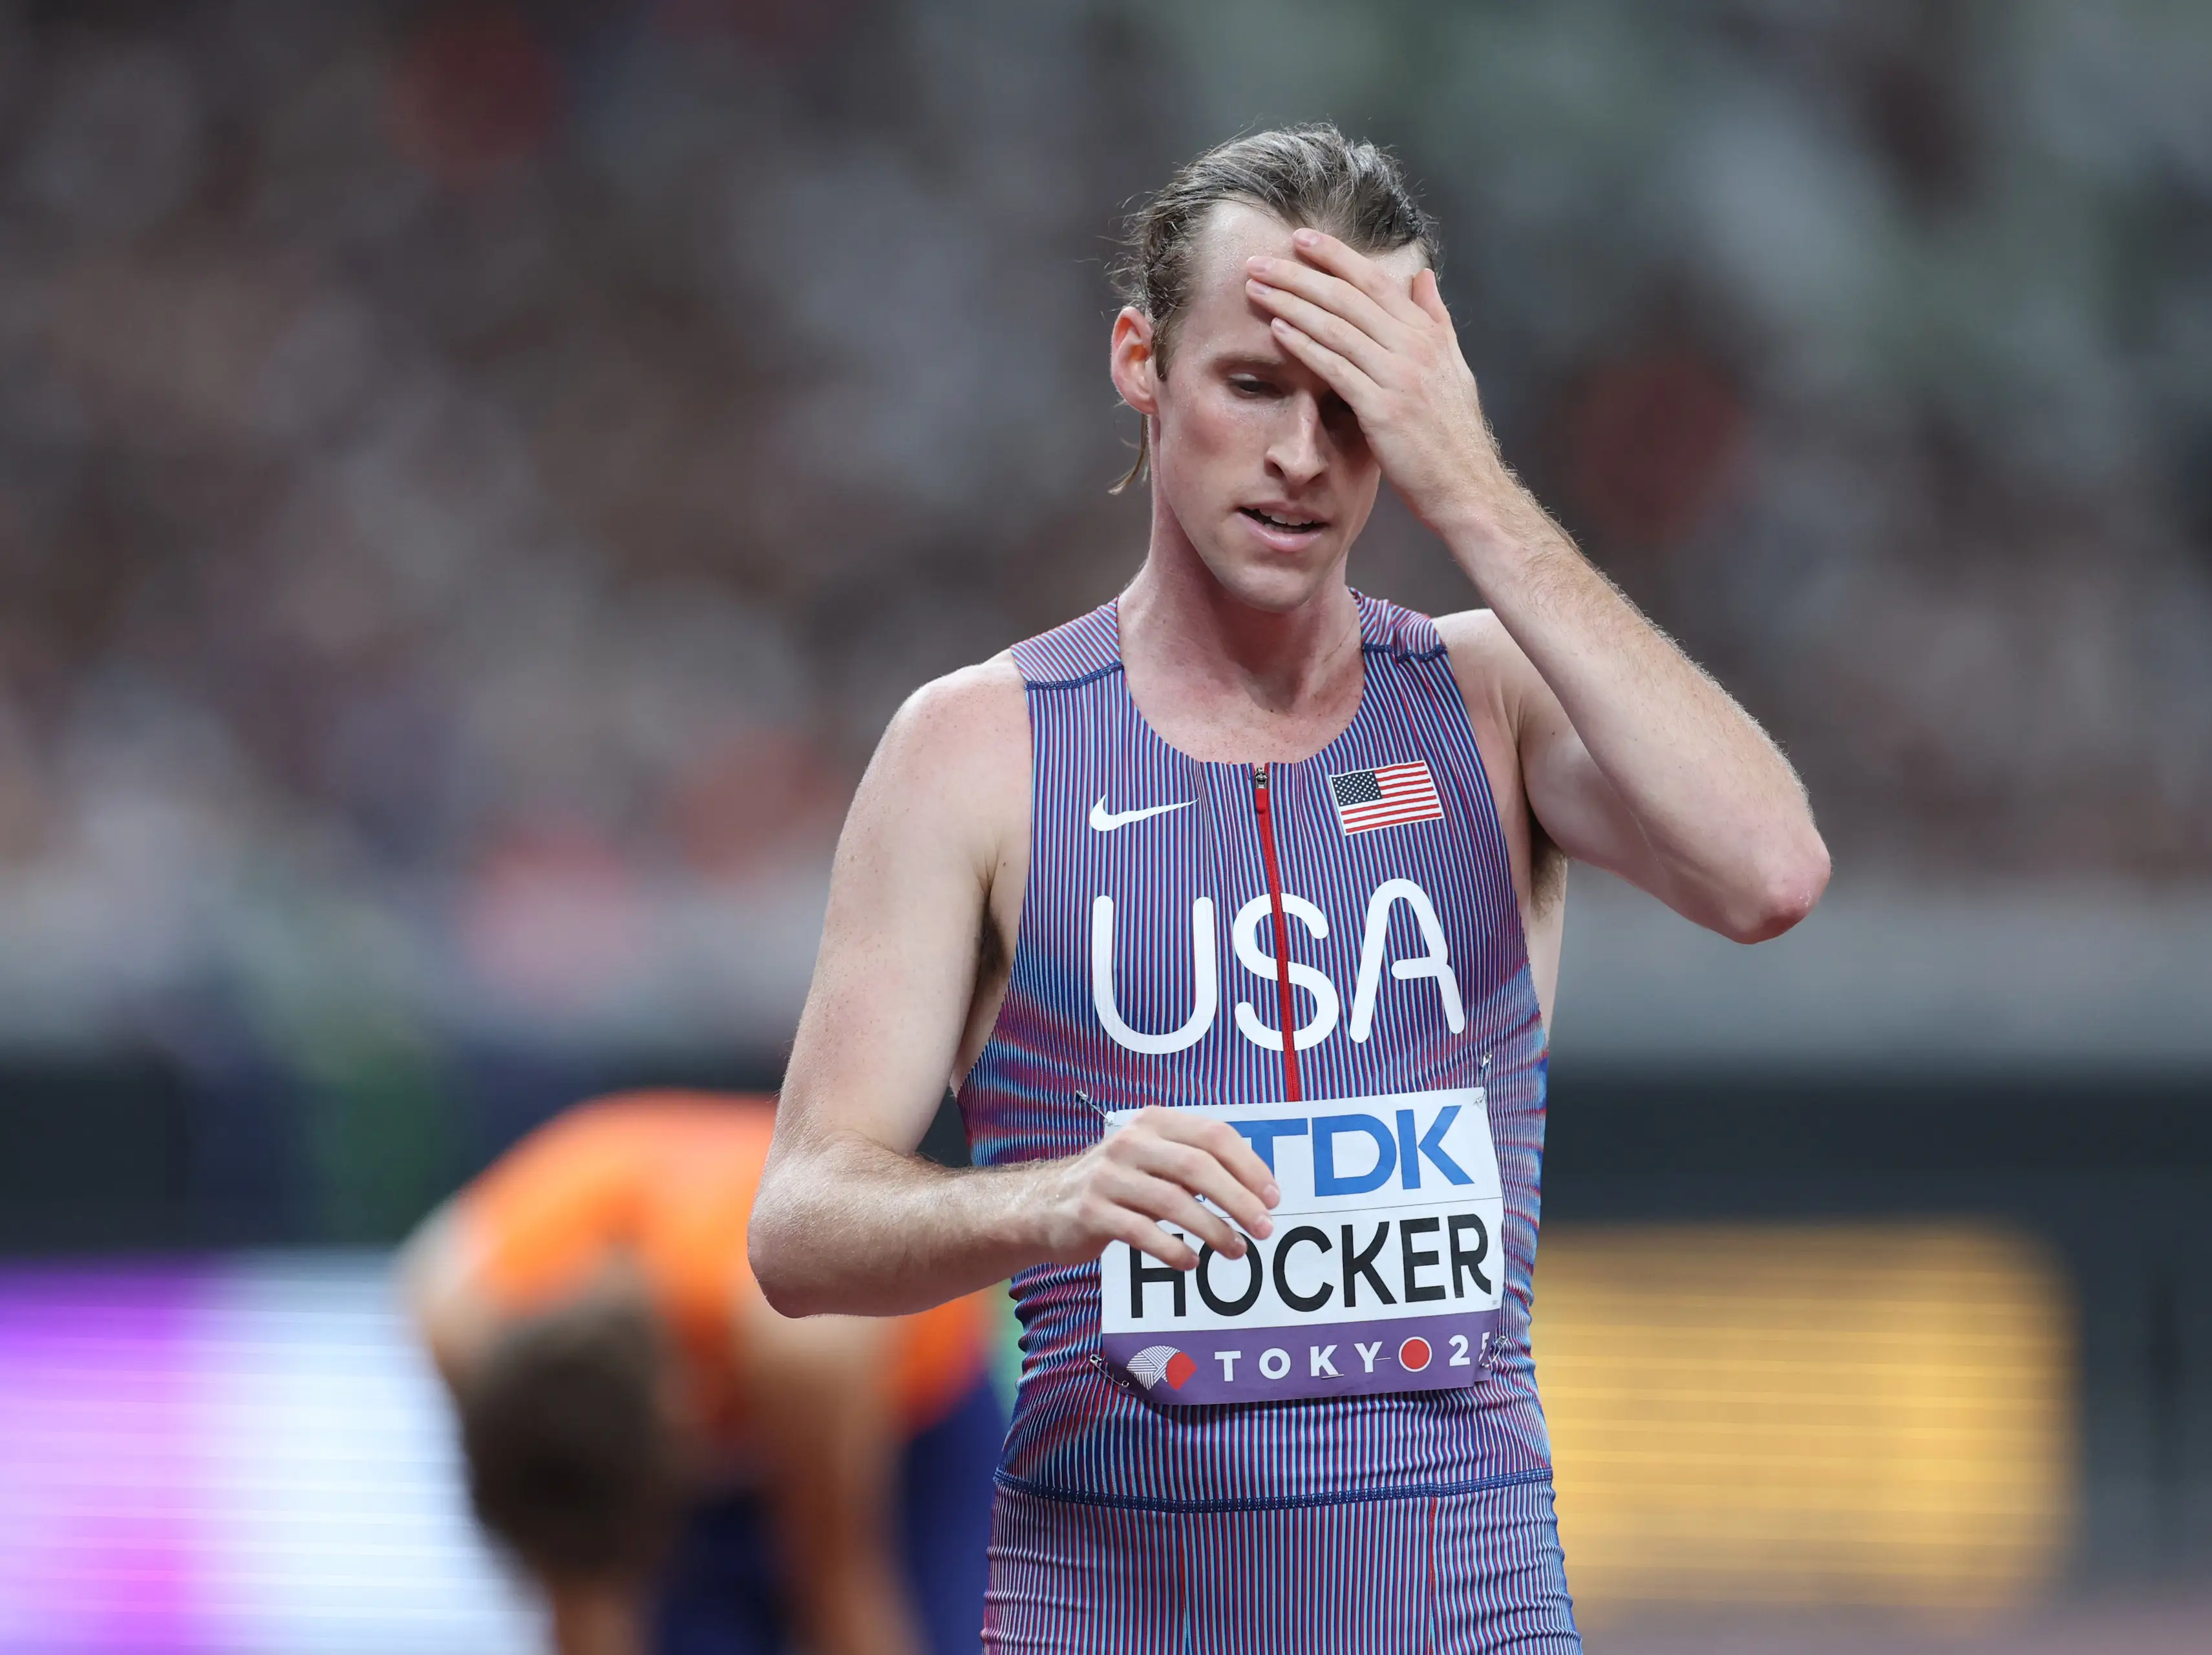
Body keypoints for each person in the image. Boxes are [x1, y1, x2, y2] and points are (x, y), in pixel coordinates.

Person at [747, 125, 1830, 1652]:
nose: (1304, 458)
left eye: (1354, 405)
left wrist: (1473, 487)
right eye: (1254, 383)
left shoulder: (1486, 702)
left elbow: (1767, 867)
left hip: (1471, 1615)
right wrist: (1054, 1198)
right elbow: (799, 1220)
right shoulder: (974, 749)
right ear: (1139, 359)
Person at [401, 1090, 1002, 1655]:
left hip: (912, 1417)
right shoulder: (458, 1311)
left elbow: (840, 1589)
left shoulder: (801, 1341)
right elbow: (576, 1573)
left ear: (689, 1419)